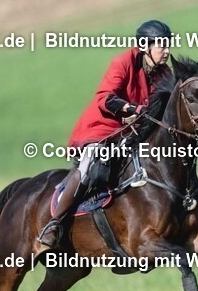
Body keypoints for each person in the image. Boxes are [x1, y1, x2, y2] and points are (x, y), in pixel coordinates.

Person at [36, 19, 174, 253]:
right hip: (100, 129)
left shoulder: (164, 73)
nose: (167, 50)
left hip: (132, 133)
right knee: (90, 166)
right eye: (162, 45)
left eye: (168, 44)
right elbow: (105, 98)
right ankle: (54, 223)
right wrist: (134, 109)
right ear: (145, 46)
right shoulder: (123, 62)